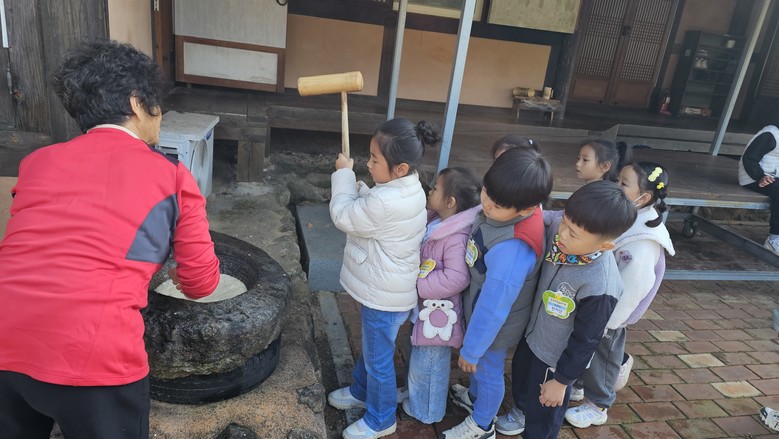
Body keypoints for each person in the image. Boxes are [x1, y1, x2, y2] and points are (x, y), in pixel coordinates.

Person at [0, 40, 221, 439]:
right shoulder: (170, 176)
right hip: (94, 359)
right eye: (158, 106)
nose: (161, 118)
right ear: (137, 104)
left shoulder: (36, 163)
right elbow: (202, 283)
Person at [327, 118, 440, 439]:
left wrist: (344, 174)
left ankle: (381, 419)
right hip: (387, 289)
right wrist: (360, 185)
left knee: (379, 362)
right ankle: (362, 391)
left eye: (375, 160)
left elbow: (344, 216)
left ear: (400, 168)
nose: (368, 164)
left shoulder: (386, 201)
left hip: (384, 296)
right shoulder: (408, 187)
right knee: (373, 348)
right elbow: (374, 208)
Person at [498, 181, 636, 438]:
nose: (561, 233)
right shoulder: (561, 240)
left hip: (555, 361)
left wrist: (561, 382)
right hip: (532, 337)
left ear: (605, 246)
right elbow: (544, 218)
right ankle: (521, 410)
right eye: (565, 222)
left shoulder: (601, 284)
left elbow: (586, 340)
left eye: (573, 233)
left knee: (545, 415)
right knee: (522, 379)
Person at [443, 147, 553, 439]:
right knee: (480, 367)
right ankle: (476, 399)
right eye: (486, 192)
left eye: (498, 204)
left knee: (488, 367)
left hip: (496, 323)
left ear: (527, 209)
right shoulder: (509, 210)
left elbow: (494, 307)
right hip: (481, 306)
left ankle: (482, 424)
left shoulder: (512, 250)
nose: (487, 205)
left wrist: (472, 349)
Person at [564, 162, 675, 428]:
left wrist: (611, 321)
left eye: (624, 184)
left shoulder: (644, 239)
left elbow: (637, 283)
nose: (616, 186)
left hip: (612, 313)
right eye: (618, 180)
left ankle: (599, 403)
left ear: (644, 197)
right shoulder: (627, 217)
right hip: (601, 301)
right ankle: (579, 385)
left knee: (603, 357)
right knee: (584, 346)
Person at [403, 167, 481, 425]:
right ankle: (419, 399)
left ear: (450, 202)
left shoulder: (456, 236)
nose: (430, 190)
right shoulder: (438, 222)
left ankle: (428, 411)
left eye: (435, 188)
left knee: (430, 366)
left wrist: (420, 283)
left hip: (438, 315)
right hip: (427, 310)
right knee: (421, 362)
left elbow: (458, 278)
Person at [738, 125, 779, 255]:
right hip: (753, 177)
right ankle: (774, 240)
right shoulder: (770, 135)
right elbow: (749, 159)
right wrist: (760, 176)